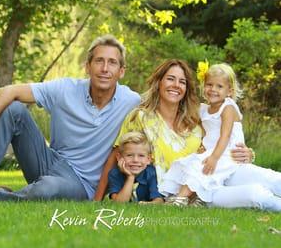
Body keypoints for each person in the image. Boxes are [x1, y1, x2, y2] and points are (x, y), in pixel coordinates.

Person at [96, 59, 281, 211]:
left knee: (273, 179)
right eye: (170, 79)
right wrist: (96, 201)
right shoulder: (140, 117)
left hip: (222, 169)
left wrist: (248, 153)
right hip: (192, 192)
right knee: (257, 194)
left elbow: (224, 134)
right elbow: (116, 156)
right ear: (159, 82)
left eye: (182, 81)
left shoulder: (197, 116)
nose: (176, 85)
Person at [0, 35, 140, 201]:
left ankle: (2, 196)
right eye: (99, 61)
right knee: (13, 109)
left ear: (121, 71)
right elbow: (6, 92)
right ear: (87, 67)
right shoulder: (65, 89)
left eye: (112, 62)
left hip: (81, 183)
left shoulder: (131, 101)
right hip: (49, 162)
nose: (105, 68)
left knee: (48, 188)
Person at [159, 63, 248, 203]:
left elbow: (225, 136)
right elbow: (204, 131)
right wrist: (202, 146)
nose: (213, 89)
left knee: (199, 167)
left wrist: (214, 157)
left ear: (229, 91)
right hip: (212, 150)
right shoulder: (203, 109)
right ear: (204, 86)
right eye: (209, 85)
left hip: (227, 152)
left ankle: (180, 199)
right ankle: (182, 198)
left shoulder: (228, 107)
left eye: (219, 86)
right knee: (186, 163)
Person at [108, 131, 164, 203]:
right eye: (129, 155)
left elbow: (159, 200)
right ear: (119, 157)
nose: (135, 160)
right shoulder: (114, 174)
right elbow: (119, 203)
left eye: (141, 156)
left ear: (148, 159)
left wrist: (149, 204)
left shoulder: (151, 173)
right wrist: (130, 177)